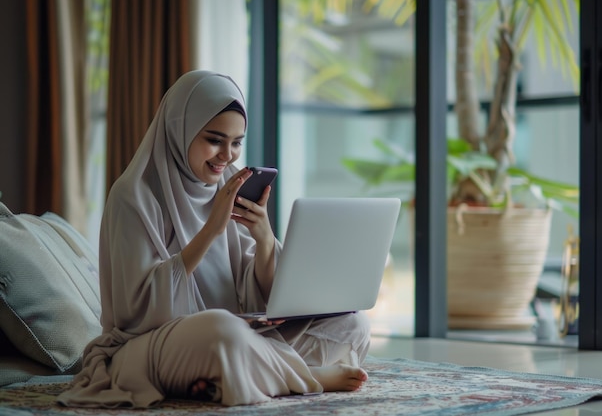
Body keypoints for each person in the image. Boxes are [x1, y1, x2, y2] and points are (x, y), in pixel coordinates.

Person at [57, 70, 370, 408]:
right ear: (181, 130)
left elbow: (259, 295)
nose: (227, 156)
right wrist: (210, 231)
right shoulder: (133, 196)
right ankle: (307, 377)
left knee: (353, 325)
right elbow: (138, 310)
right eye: (215, 140)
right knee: (220, 331)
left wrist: (264, 238)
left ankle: (247, 374)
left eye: (237, 143)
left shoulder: (227, 186)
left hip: (237, 335)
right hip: (151, 346)